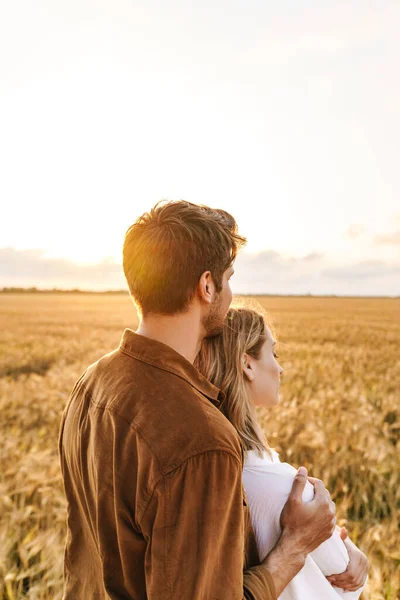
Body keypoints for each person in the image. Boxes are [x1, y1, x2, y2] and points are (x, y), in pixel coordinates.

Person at [59, 200, 337, 600]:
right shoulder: (202, 439)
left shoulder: (91, 383)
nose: (230, 291)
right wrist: (294, 550)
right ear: (207, 286)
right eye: (228, 277)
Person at [194, 303, 370, 599]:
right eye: (272, 354)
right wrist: (352, 550)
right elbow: (348, 577)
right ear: (247, 364)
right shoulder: (291, 491)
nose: (280, 367)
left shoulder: (204, 471)